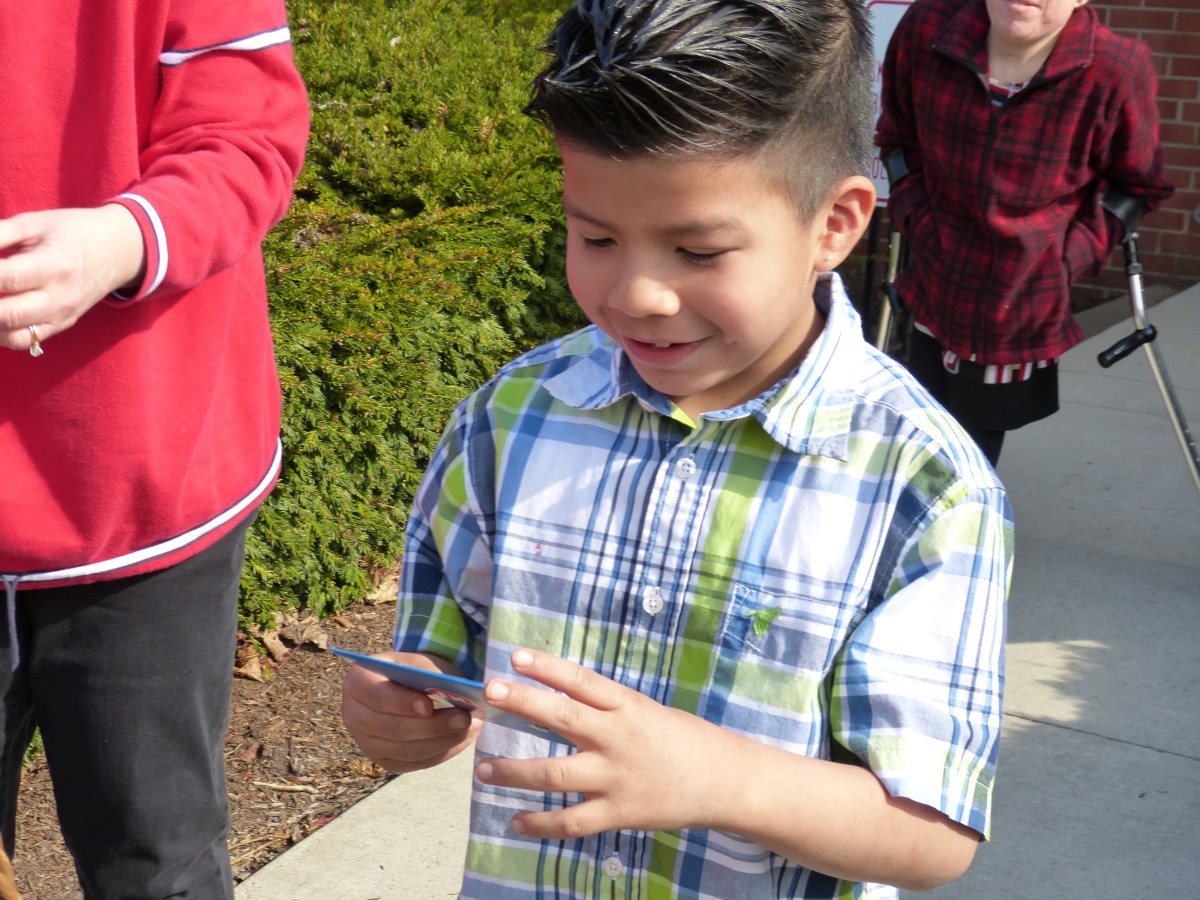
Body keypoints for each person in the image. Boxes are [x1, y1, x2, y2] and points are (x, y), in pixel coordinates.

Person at [342, 1, 1012, 897]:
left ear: (835, 224)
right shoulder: (512, 418)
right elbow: (441, 660)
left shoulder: (922, 483)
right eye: (596, 237)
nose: (638, 294)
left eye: (697, 251)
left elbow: (931, 833)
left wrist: (719, 778)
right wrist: (403, 709)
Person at [0, 1, 308, 896]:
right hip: (146, 478)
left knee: (157, 864)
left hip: (148, 501)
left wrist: (124, 239)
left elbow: (249, 137)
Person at [875, 0, 1174, 465]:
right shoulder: (929, 27)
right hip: (933, 282)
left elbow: (1137, 186)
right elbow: (898, 139)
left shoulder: (1114, 69)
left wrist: (1062, 262)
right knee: (912, 442)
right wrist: (917, 220)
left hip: (1017, 310)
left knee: (968, 464)